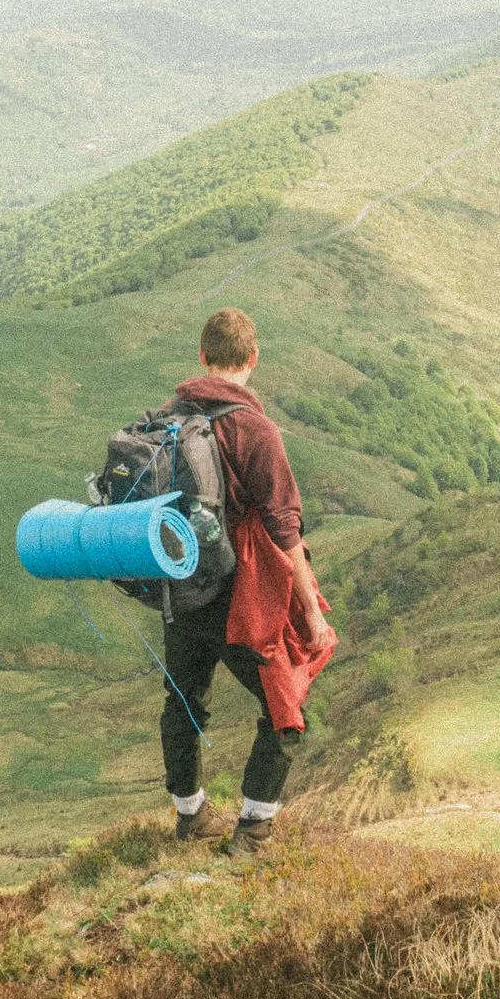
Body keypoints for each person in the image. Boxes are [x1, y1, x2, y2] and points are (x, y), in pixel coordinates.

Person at [159, 307, 338, 854]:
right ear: (253, 360)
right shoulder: (255, 429)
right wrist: (311, 612)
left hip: (181, 589)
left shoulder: (170, 420)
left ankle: (190, 815)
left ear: (202, 357)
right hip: (240, 599)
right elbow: (286, 530)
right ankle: (254, 831)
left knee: (184, 700)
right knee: (286, 712)